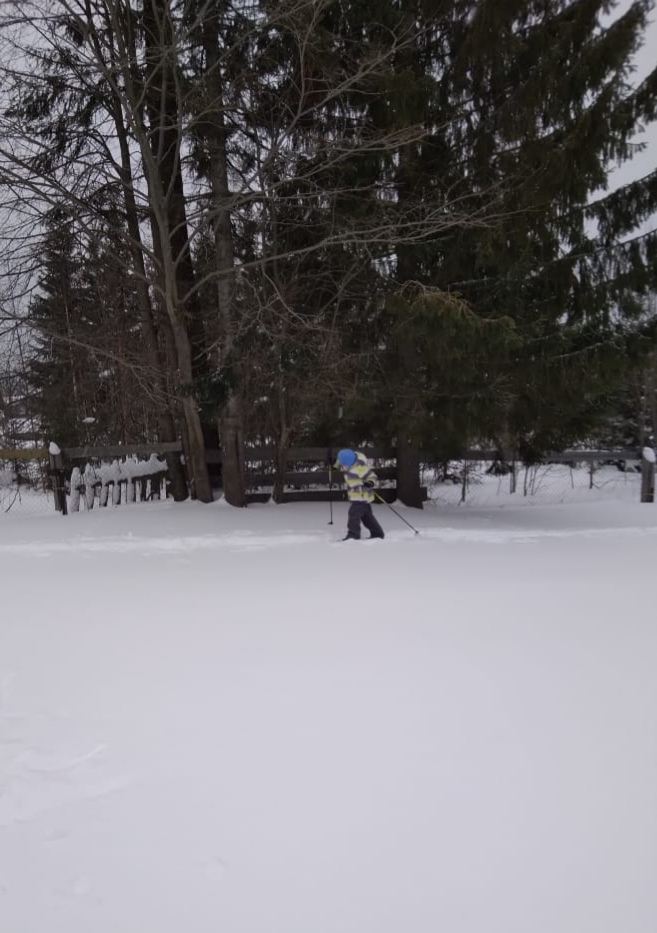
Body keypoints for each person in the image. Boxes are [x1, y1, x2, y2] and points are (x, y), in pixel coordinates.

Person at [334, 448, 385, 540]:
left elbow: (372, 476)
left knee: (353, 514)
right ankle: (377, 533)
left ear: (349, 462)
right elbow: (339, 465)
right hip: (357, 496)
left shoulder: (360, 468)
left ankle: (353, 534)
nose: (342, 466)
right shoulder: (349, 463)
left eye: (344, 464)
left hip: (361, 496)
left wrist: (370, 482)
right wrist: (333, 463)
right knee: (367, 517)